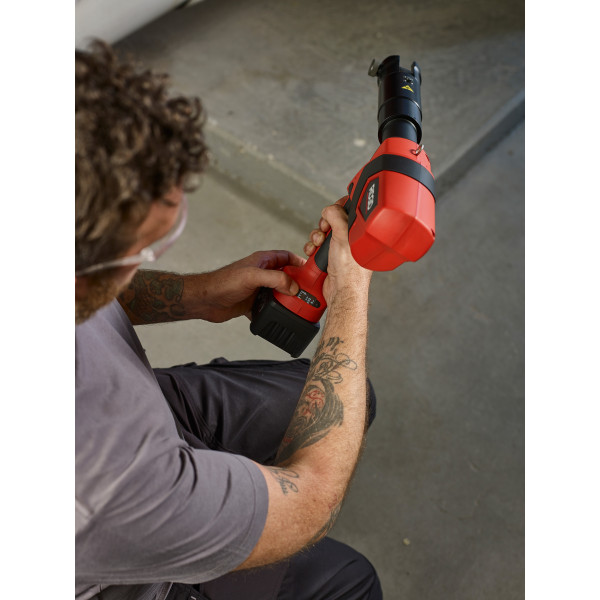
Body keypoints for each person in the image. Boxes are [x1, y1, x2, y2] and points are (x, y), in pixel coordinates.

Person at [75, 40, 383, 600]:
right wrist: (351, 296)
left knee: (351, 399)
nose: (150, 260)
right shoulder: (104, 478)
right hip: (134, 529)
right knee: (348, 580)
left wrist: (195, 295)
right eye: (143, 251)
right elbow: (312, 501)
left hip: (146, 401)